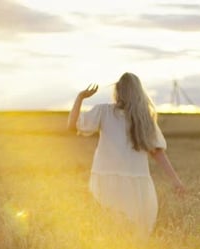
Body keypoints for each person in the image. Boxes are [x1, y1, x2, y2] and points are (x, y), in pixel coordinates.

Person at [68, 72, 185, 237]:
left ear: (118, 91)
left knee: (110, 232)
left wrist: (80, 98)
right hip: (132, 185)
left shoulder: (114, 113)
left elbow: (71, 126)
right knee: (133, 233)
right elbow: (158, 154)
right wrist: (176, 181)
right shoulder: (134, 116)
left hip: (111, 182)